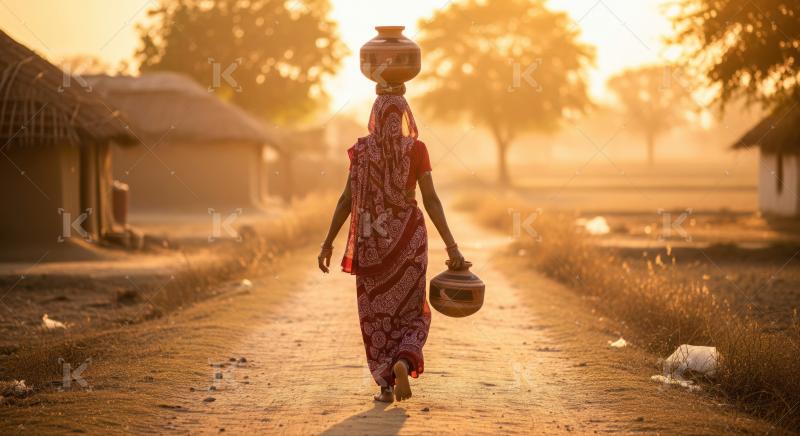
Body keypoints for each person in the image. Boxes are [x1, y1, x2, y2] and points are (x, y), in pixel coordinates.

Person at [318, 94, 465, 403]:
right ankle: (404, 361)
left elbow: (346, 200)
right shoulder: (417, 150)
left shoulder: (360, 152)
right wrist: (452, 247)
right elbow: (431, 199)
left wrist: (328, 242)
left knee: (375, 314)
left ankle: (385, 385)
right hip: (410, 242)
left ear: (375, 116)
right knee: (413, 312)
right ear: (405, 117)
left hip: (372, 244)